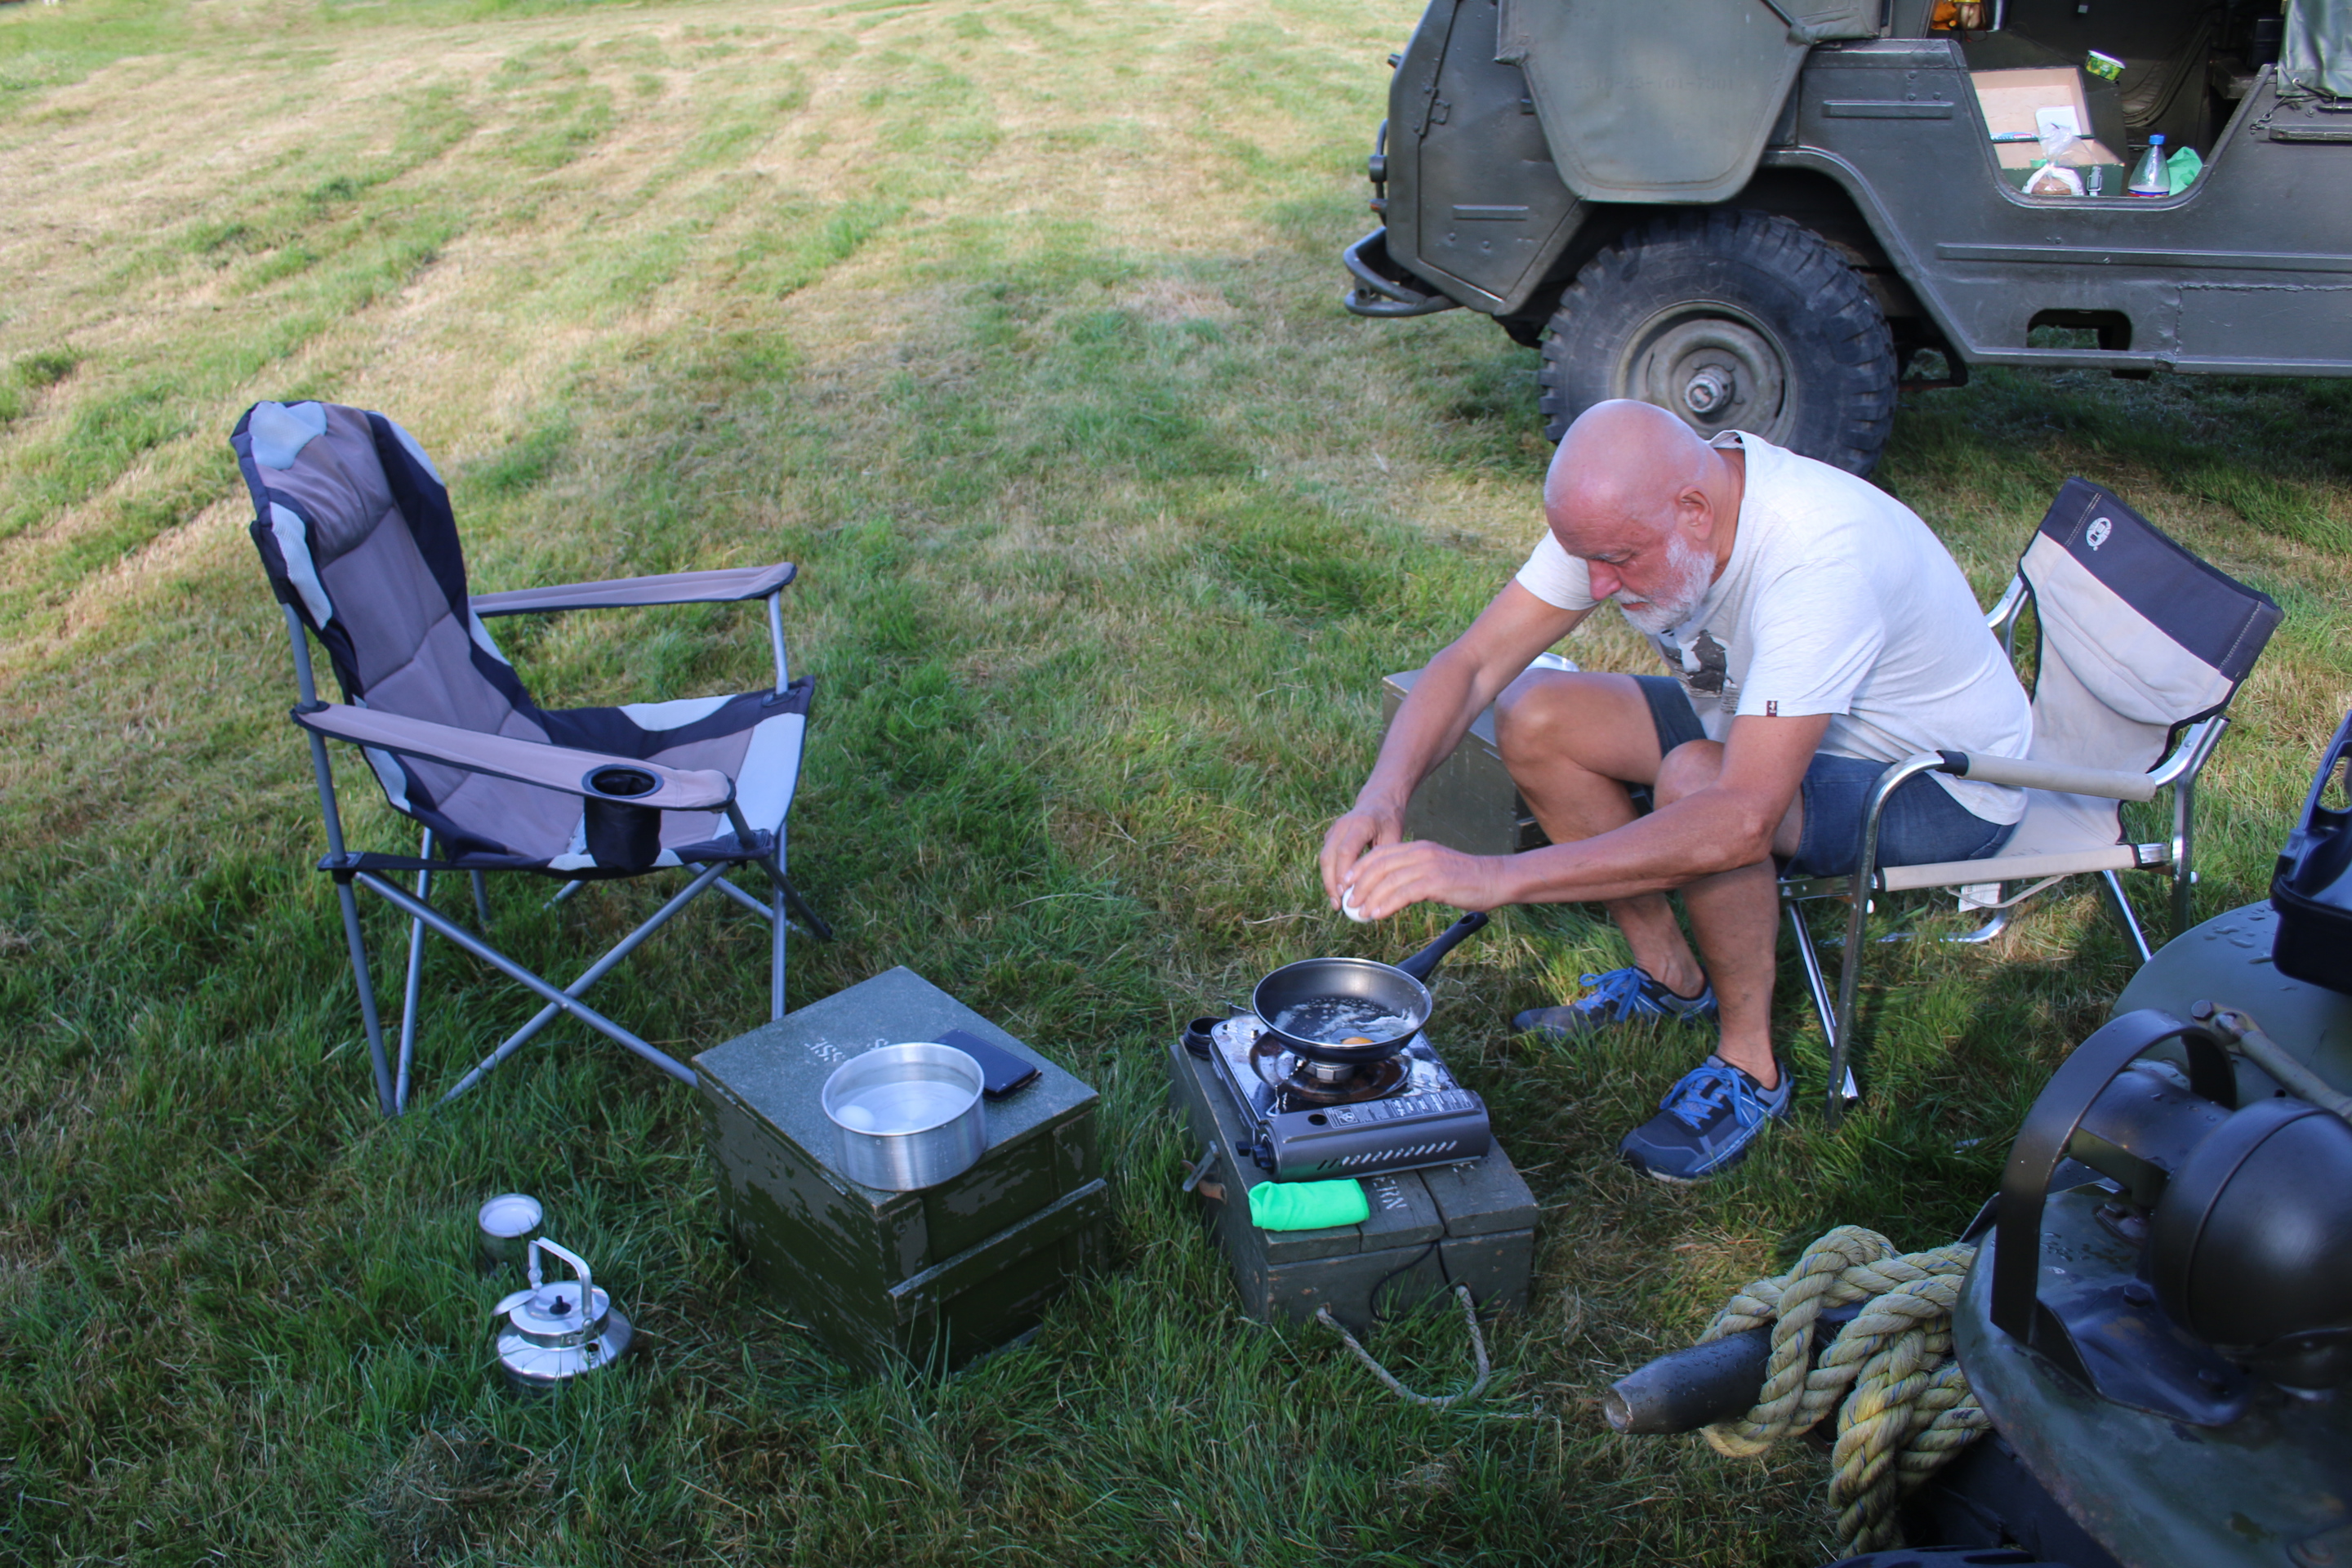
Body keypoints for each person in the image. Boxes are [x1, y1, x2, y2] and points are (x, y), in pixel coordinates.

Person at [1319, 401, 2032, 1183]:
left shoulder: (1818, 556)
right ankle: (1670, 978)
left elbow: (1740, 820)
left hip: (1939, 786)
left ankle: (1751, 1066)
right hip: (1763, 717)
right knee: (1535, 714)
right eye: (1588, 559)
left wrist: (1496, 877)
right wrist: (1382, 797)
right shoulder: (1625, 514)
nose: (1598, 585)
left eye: (1620, 561)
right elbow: (1474, 665)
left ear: (1694, 510)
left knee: (1700, 780)